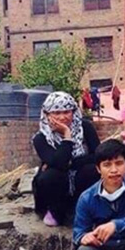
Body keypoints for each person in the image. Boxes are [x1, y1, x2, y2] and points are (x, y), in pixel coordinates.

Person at [32, 91, 100, 227]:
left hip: (80, 177)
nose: (62, 117)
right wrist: (67, 136)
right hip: (56, 185)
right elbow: (59, 163)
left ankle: (83, 210)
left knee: (91, 170)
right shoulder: (40, 138)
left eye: (66, 112)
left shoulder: (85, 128)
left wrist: (75, 163)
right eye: (56, 113)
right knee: (51, 175)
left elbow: (98, 155)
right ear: (47, 115)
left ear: (73, 112)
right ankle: (55, 212)